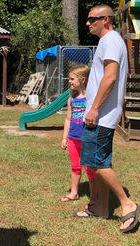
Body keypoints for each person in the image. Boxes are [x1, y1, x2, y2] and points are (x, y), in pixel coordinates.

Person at [74, 4, 140, 233]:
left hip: (101, 116)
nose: (88, 22)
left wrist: (93, 110)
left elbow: (110, 78)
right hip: (100, 115)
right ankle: (100, 208)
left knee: (98, 163)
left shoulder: (110, 40)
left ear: (106, 20)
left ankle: (126, 203)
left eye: (92, 19)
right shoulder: (108, 41)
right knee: (95, 161)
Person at [60, 65, 98, 203]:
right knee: (75, 166)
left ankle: (94, 197)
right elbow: (68, 119)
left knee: (89, 168)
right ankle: (74, 193)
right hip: (72, 139)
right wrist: (65, 137)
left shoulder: (92, 99)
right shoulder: (71, 100)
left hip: (87, 139)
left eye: (72, 79)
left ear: (82, 79)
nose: (69, 81)